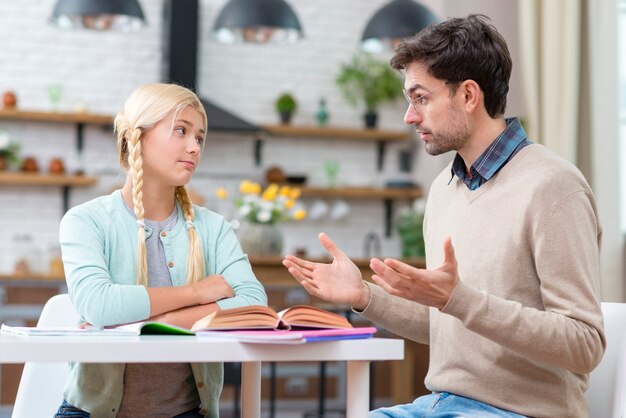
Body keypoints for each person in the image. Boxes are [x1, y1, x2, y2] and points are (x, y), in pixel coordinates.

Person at [283, 14, 604, 418]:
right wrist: (364, 297)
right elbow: (449, 327)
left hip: (518, 411)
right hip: (438, 404)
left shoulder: (553, 186)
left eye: (421, 98)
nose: (409, 116)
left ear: (468, 95)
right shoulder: (444, 190)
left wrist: (460, 299)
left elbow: (584, 344)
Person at [55, 83, 267, 418]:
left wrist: (161, 322)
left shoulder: (213, 228)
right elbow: (99, 304)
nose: (194, 147)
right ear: (137, 137)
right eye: (181, 131)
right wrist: (199, 292)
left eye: (199, 137)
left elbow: (254, 301)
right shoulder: (86, 220)